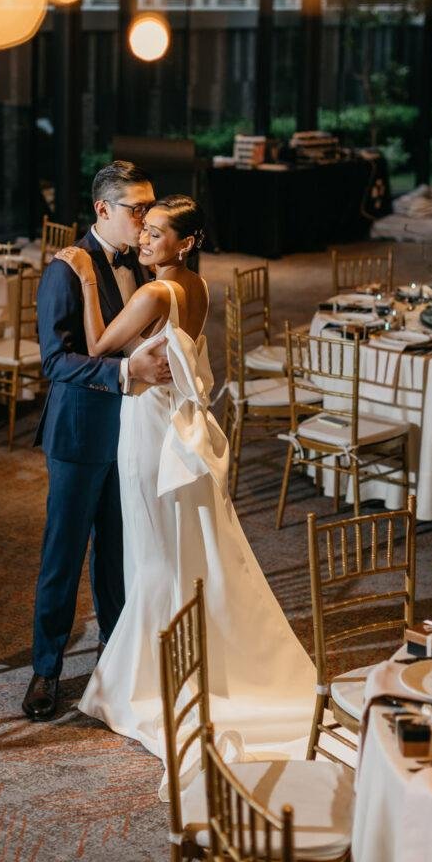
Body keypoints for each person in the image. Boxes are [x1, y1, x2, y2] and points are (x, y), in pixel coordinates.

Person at [59, 195, 317, 774]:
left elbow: (100, 346)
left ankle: (150, 677)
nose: (145, 241)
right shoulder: (194, 290)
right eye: (144, 231)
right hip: (170, 424)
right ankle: (175, 658)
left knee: (151, 551)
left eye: (157, 234)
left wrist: (83, 283)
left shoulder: (154, 292)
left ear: (187, 242)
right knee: (174, 547)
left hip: (150, 429)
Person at [22, 161, 171, 721]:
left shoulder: (144, 263)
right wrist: (124, 375)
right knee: (63, 554)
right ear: (103, 210)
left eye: (151, 208)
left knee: (118, 552)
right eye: (137, 209)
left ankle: (116, 654)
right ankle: (46, 669)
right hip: (81, 431)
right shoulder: (66, 270)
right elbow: (56, 361)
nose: (147, 219)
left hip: (133, 432)